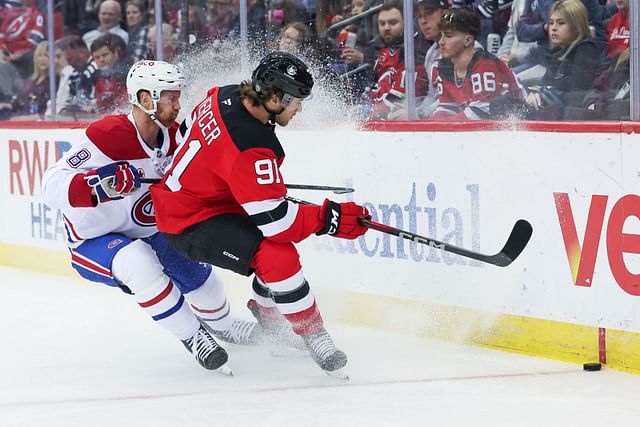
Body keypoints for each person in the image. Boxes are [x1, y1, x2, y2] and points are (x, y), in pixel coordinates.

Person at [150, 51, 370, 377]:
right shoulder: (251, 145)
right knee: (276, 254)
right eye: (296, 102)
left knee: (275, 244)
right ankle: (312, 333)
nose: (299, 109)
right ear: (275, 98)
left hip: (195, 201)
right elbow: (278, 224)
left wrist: (231, 181)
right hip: (189, 222)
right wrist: (330, 219)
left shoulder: (224, 93)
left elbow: (185, 137)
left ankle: (269, 318)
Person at [42, 60, 261, 375]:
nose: (178, 103)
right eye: (170, 97)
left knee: (203, 281)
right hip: (94, 239)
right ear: (146, 99)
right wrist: (102, 183)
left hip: (149, 229)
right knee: (138, 262)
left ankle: (224, 325)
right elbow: (50, 184)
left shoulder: (175, 136)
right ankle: (193, 335)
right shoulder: (109, 135)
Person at [429, 7, 525, 120]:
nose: (441, 42)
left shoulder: (485, 65)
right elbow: (447, 108)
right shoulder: (443, 67)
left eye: (449, 36)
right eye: (441, 35)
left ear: (468, 40)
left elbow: (480, 113)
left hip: (519, 124)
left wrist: (445, 126)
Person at [524, 0, 603, 119]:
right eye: (551, 23)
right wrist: (536, 94)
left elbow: (576, 91)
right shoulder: (560, 52)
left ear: (576, 26)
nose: (553, 28)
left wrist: (543, 94)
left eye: (560, 23)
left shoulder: (585, 50)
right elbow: (544, 84)